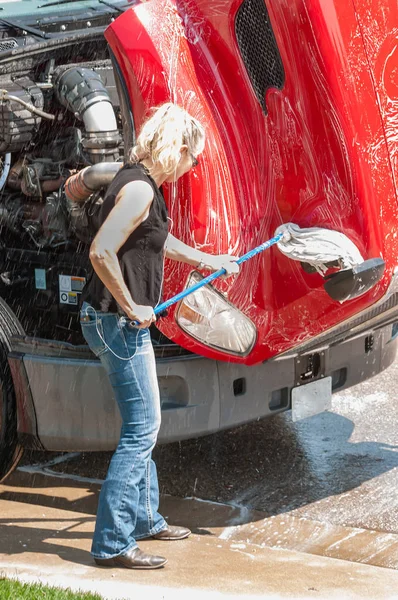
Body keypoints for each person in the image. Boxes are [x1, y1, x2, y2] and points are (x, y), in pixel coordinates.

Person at [79, 102, 239, 570]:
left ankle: (146, 517)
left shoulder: (142, 183)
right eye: (195, 158)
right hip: (115, 321)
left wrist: (207, 261)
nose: (194, 166)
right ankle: (113, 543)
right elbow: (101, 251)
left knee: (146, 425)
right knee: (141, 430)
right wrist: (131, 306)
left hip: (118, 321)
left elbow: (156, 239)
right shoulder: (139, 192)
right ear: (180, 148)